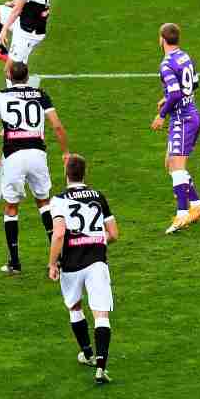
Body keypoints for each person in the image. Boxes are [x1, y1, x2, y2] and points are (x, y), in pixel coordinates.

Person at [0, 61, 70, 274]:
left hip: (13, 155)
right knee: (44, 202)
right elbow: (57, 125)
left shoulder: (0, 96)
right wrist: (65, 151)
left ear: (9, 76)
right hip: (37, 154)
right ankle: (58, 258)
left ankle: (14, 262)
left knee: (11, 206)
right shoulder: (41, 95)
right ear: (27, 76)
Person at [47, 154, 119, 384]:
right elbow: (114, 234)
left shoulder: (58, 200)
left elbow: (58, 233)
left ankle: (87, 353)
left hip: (71, 262)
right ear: (84, 174)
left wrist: (51, 262)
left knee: (75, 307)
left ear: (66, 174)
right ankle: (101, 368)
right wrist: (97, 240)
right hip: (97, 259)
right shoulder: (98, 196)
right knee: (101, 314)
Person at [150, 23, 200, 233]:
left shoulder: (166, 64)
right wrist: (166, 99)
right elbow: (195, 84)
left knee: (177, 166)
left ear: (162, 39)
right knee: (170, 163)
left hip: (183, 119)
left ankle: (182, 214)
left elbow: (175, 94)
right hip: (189, 114)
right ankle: (197, 205)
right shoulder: (185, 56)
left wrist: (161, 114)